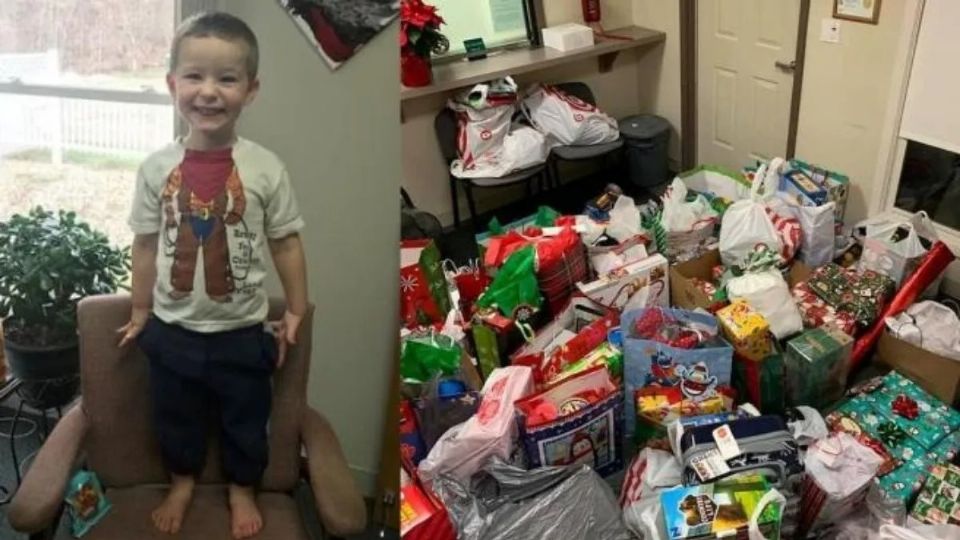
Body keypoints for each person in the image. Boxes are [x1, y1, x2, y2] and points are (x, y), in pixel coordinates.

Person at [117, 12, 308, 539]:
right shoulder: (156, 168)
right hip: (172, 332)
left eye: (226, 79)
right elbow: (146, 244)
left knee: (246, 422)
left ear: (251, 90)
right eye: (195, 76)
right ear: (172, 84)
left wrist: (293, 308)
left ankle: (241, 489)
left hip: (242, 335)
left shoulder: (266, 168)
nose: (208, 92)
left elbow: (286, 242)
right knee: (174, 417)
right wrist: (139, 310)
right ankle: (182, 481)